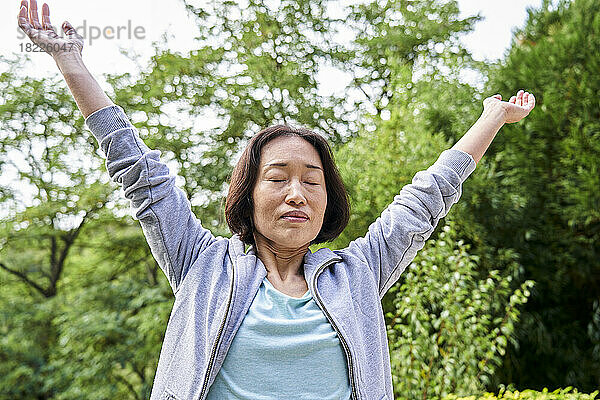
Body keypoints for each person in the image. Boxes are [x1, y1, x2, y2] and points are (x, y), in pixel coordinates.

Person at [18, 1, 536, 399]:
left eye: (312, 180)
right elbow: (141, 173)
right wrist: (70, 62)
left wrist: (491, 117)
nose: (296, 193)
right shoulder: (202, 264)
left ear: (327, 200)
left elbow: (425, 199)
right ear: (249, 194)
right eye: (277, 178)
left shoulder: (358, 274)